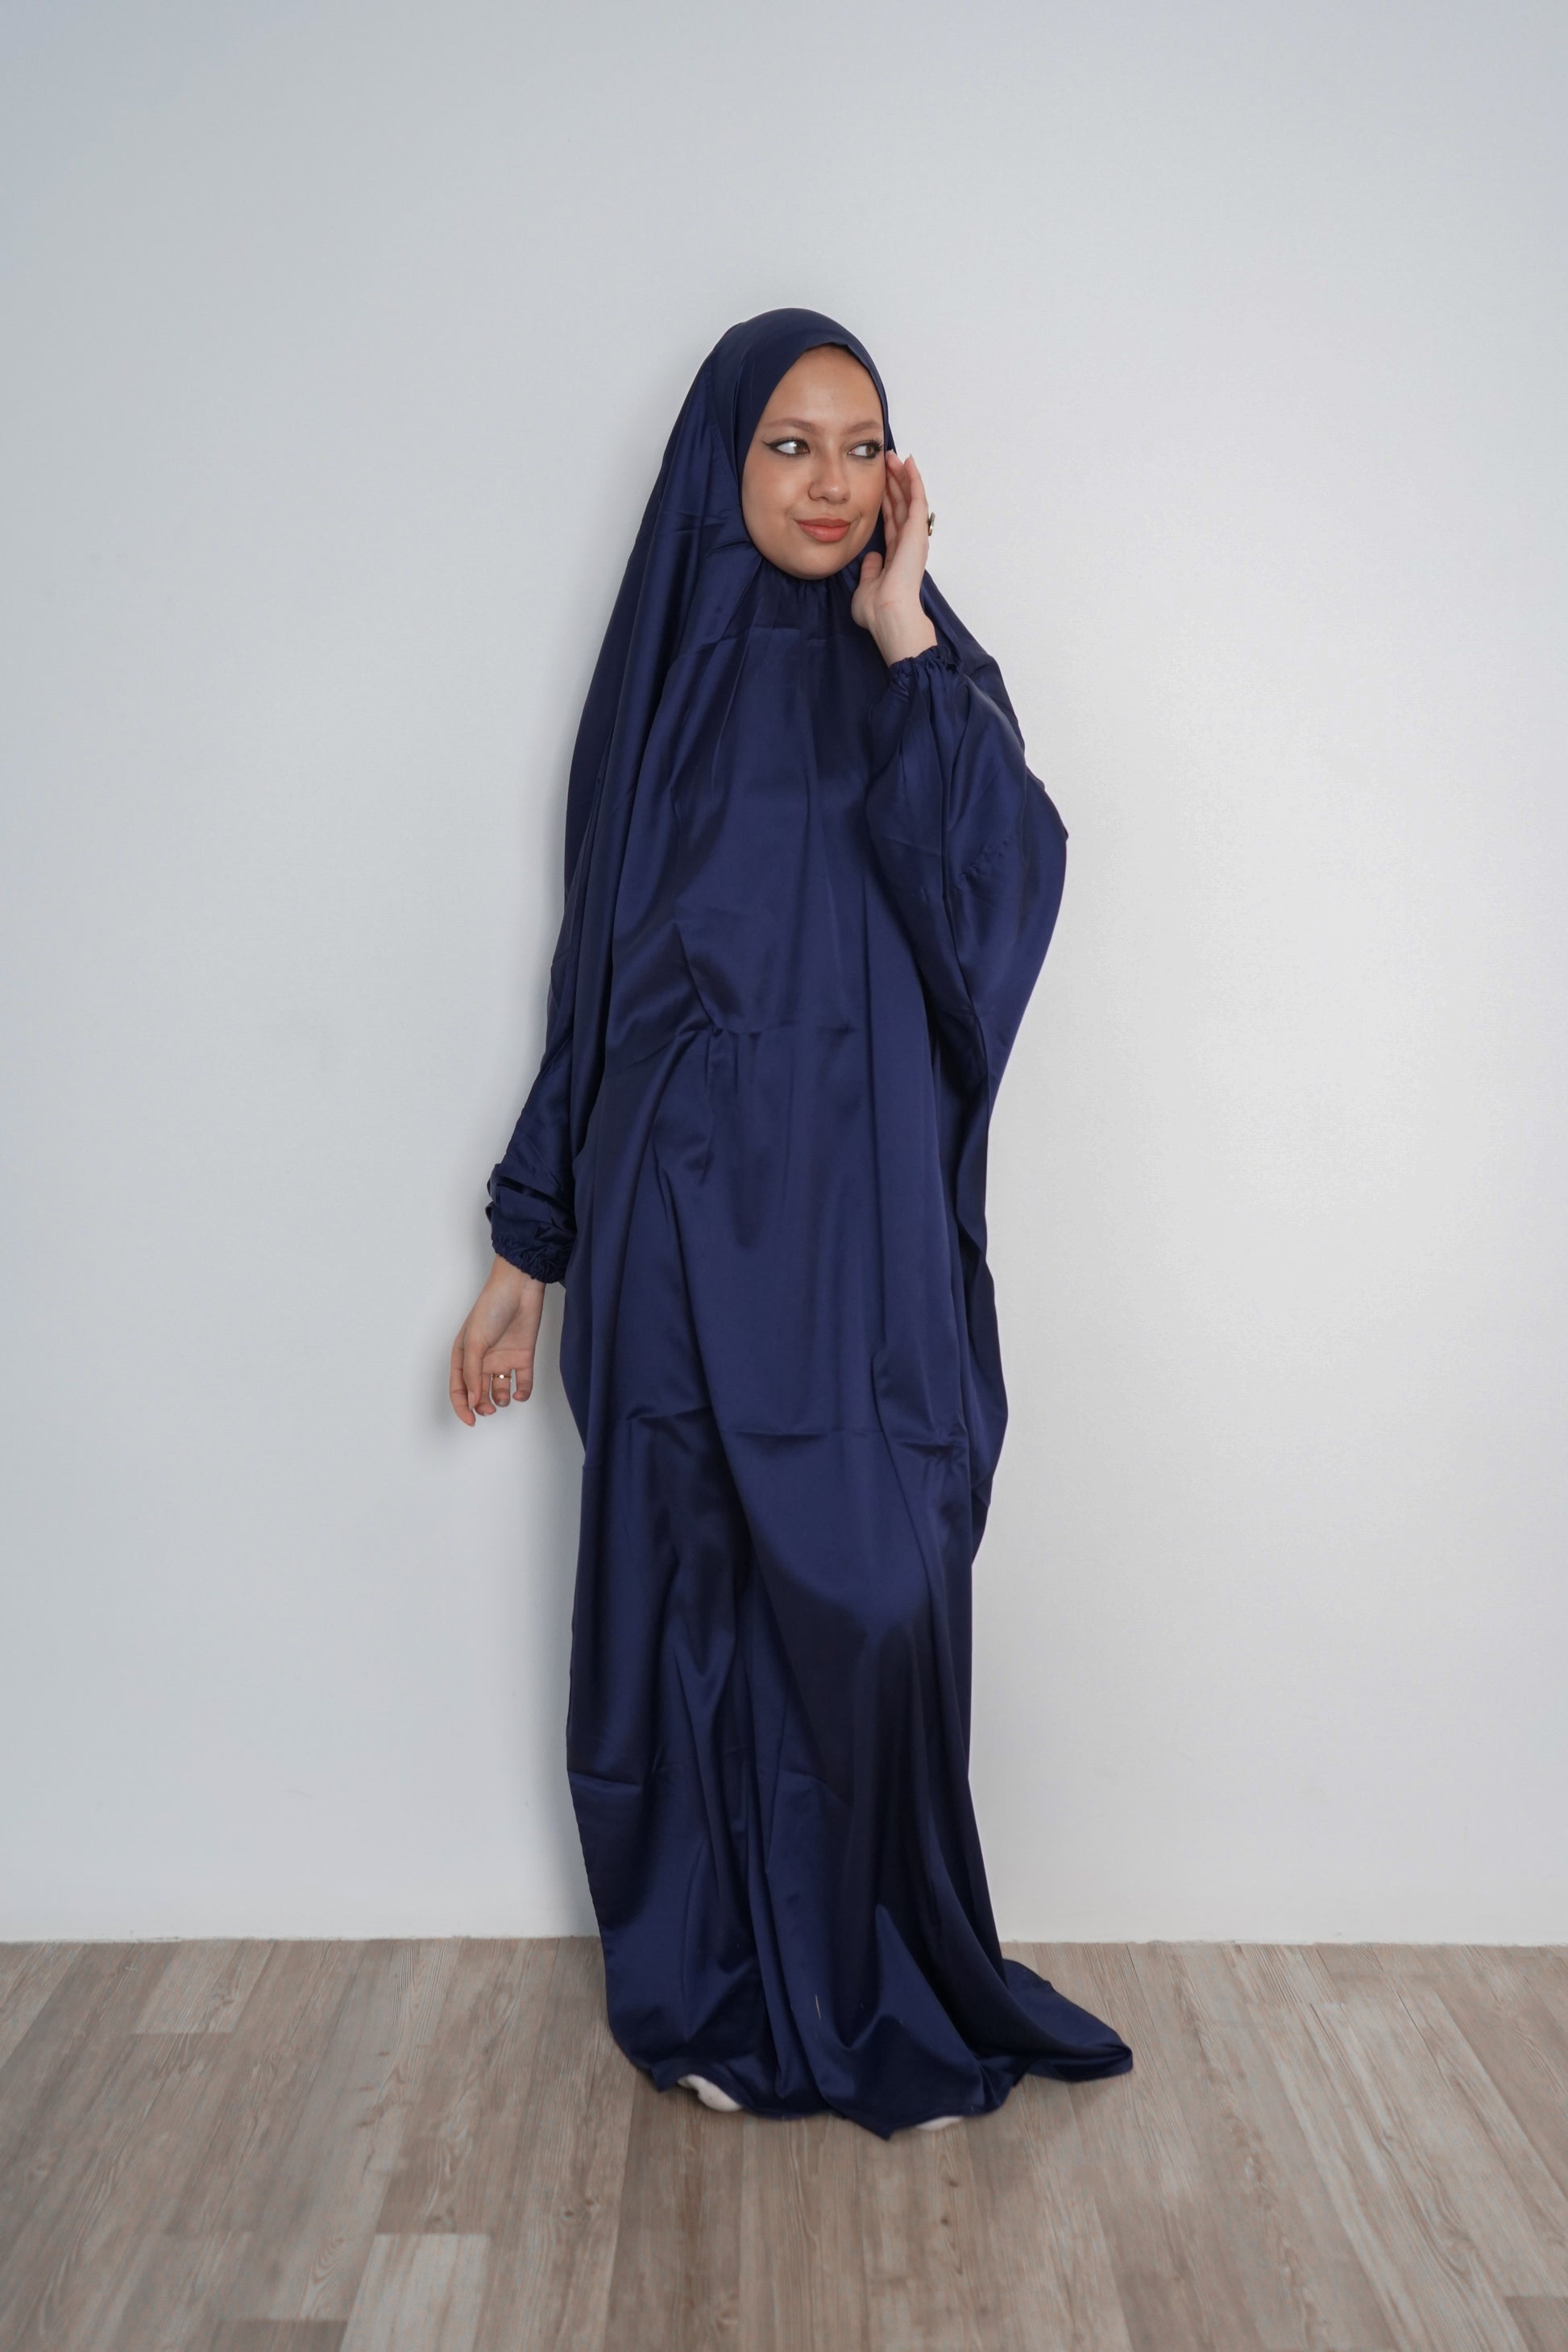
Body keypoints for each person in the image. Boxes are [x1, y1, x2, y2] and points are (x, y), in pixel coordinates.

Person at [449, 308, 1132, 2136]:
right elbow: (592, 992)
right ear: (720, 463)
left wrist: (901, 633)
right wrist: (526, 1247)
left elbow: (1002, 889)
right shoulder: (660, 686)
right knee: (689, 1609)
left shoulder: (924, 672)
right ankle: (711, 1989)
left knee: (878, 1595)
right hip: (677, 1236)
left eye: (860, 444)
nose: (828, 483)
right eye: (788, 444)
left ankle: (872, 1974)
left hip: (861, 1242)